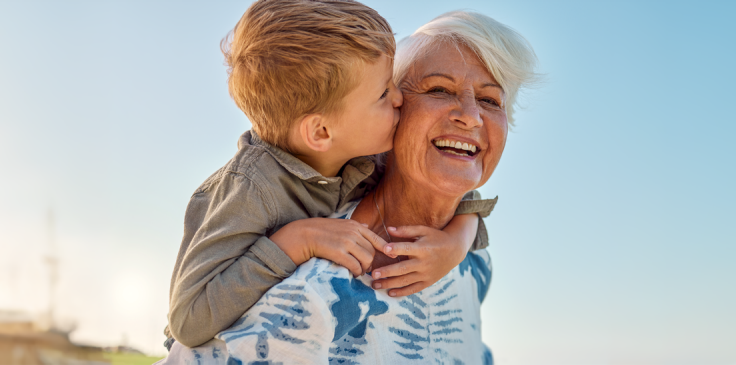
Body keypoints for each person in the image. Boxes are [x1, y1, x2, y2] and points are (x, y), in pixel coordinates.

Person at [160, 10, 540, 364]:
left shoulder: (473, 265)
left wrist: (456, 244)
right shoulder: (262, 203)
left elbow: (459, 191)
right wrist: (297, 239)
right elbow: (190, 323)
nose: (471, 117)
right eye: (438, 90)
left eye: (491, 100)